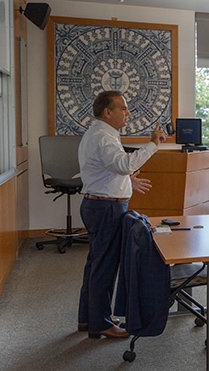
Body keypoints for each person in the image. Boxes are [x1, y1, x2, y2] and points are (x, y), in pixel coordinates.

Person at [78, 90, 166, 339]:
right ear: (108, 112)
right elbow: (124, 164)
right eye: (123, 108)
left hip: (100, 204)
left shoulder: (99, 133)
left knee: (95, 264)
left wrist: (128, 182)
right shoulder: (103, 137)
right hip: (106, 209)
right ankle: (101, 323)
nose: (128, 113)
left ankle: (89, 317)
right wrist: (153, 144)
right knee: (104, 267)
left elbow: (112, 169)